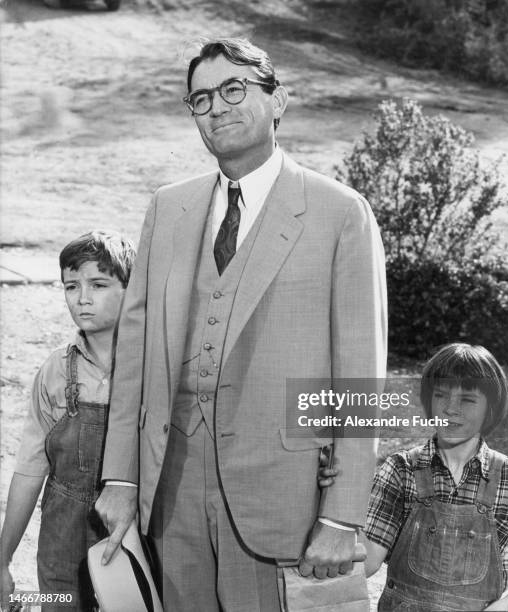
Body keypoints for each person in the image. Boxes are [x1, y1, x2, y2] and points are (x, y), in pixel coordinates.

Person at [95, 37, 387, 611]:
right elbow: (135, 354)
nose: (218, 107)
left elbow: (361, 375)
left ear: (278, 102)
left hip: (283, 490)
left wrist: (343, 513)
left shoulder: (339, 211)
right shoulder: (168, 206)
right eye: (201, 99)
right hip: (171, 484)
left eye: (234, 89)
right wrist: (122, 477)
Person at [321, 343, 508, 611]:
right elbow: (367, 562)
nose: (450, 409)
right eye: (441, 395)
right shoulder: (400, 470)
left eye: (467, 399)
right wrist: (328, 497)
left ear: (490, 408)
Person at [0, 230, 136, 612]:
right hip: (61, 543)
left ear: (132, 288)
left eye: (99, 284)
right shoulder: (56, 371)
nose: (83, 299)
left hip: (133, 536)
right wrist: (3, 558)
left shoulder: (154, 367)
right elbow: (28, 471)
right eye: (71, 286)